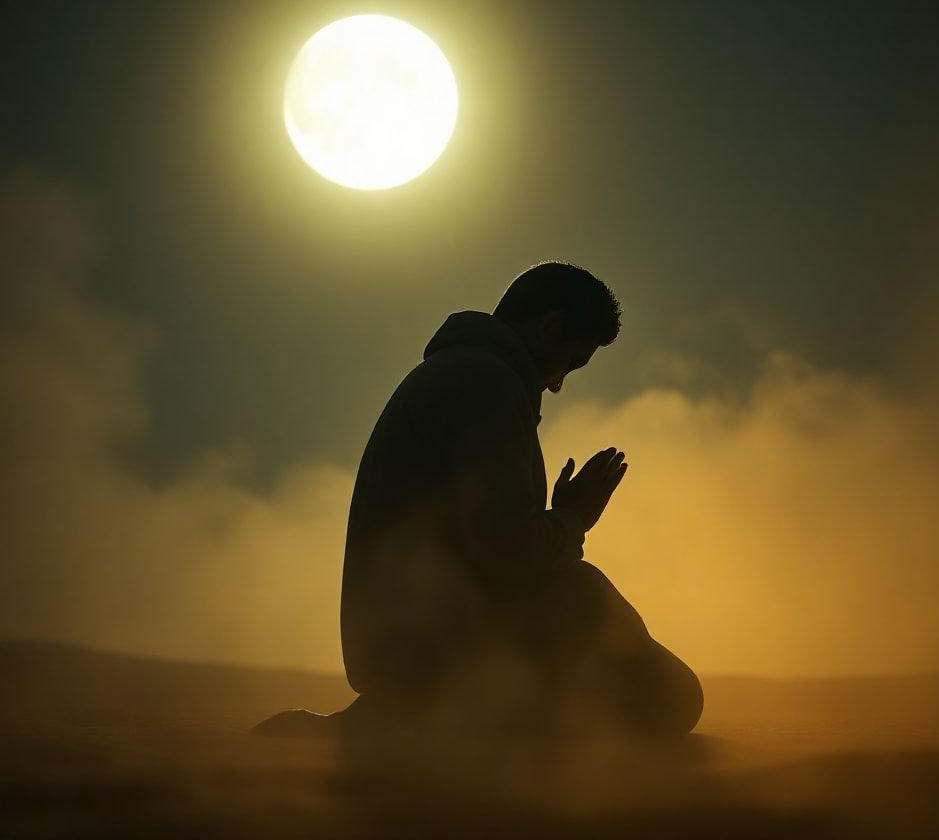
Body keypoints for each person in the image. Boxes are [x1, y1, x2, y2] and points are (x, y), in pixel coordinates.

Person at [254, 262, 702, 742]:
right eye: (572, 360)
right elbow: (506, 552)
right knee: (661, 686)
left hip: (406, 644)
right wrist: (574, 520)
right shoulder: (486, 385)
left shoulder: (462, 374)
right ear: (549, 328)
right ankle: (393, 729)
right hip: (429, 653)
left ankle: (396, 724)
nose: (558, 383)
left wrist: (561, 524)